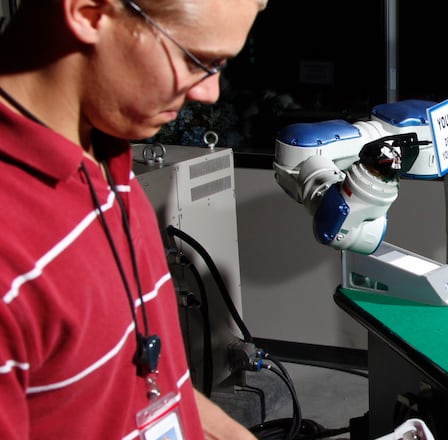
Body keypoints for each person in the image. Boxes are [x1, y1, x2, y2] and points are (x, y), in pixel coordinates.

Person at [0, 0, 266, 438]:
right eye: (196, 59)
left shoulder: (105, 150)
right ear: (89, 13)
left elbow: (140, 386)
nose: (210, 92)